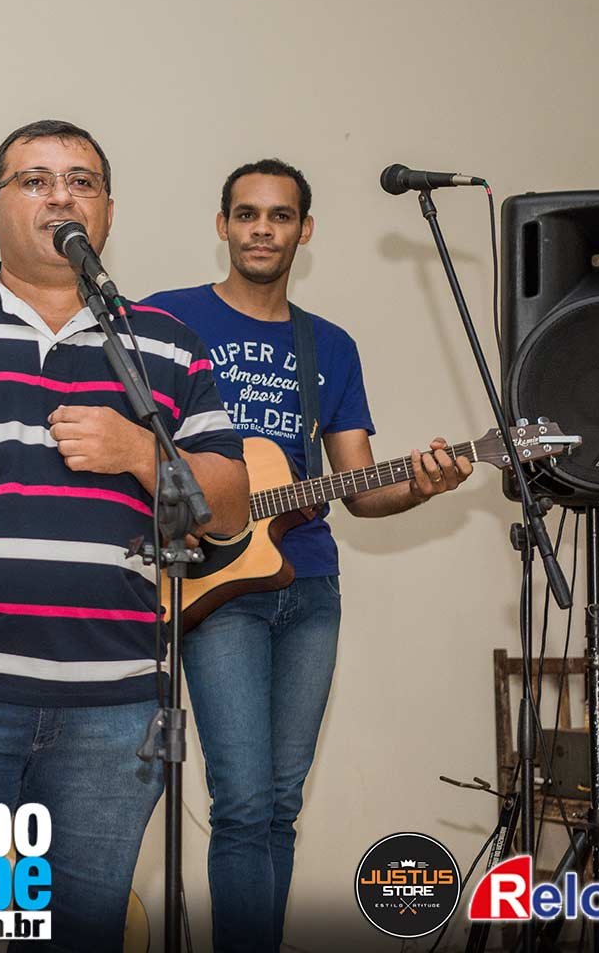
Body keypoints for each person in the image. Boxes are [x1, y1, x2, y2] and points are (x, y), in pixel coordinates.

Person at [0, 119, 251, 951]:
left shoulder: (166, 347)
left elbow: (233, 509)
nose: (61, 196)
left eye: (81, 181)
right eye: (35, 180)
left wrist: (138, 452)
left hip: (114, 706)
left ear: (108, 214)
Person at [142, 159, 471, 952]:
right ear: (222, 225)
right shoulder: (166, 318)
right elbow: (126, 440)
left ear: (305, 231)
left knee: (281, 804)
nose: (263, 229)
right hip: (216, 585)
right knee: (243, 802)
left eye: (281, 216)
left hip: (310, 584)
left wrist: (424, 485)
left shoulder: (329, 345)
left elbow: (360, 487)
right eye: (247, 214)